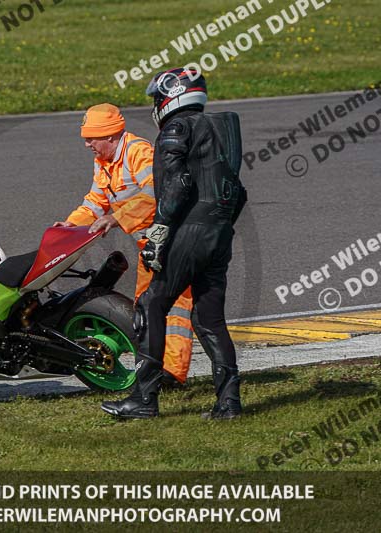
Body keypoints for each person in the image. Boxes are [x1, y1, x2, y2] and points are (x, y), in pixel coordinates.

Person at [101, 68, 247, 419]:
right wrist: (218, 228)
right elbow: (238, 194)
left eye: (157, 98)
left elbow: (177, 183)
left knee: (150, 305)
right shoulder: (222, 130)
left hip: (190, 230)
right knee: (209, 319)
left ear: (171, 96)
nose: (156, 105)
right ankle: (229, 402)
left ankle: (143, 400)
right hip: (220, 232)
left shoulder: (176, 128)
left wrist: (160, 229)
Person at [53, 103, 193, 385]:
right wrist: (71, 225)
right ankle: (155, 367)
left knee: (175, 308)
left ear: (110, 136)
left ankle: (172, 374)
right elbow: (95, 201)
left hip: (172, 241)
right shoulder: (104, 162)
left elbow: (155, 195)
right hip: (151, 246)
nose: (87, 144)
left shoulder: (138, 153)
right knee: (145, 307)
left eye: (92, 138)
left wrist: (115, 218)